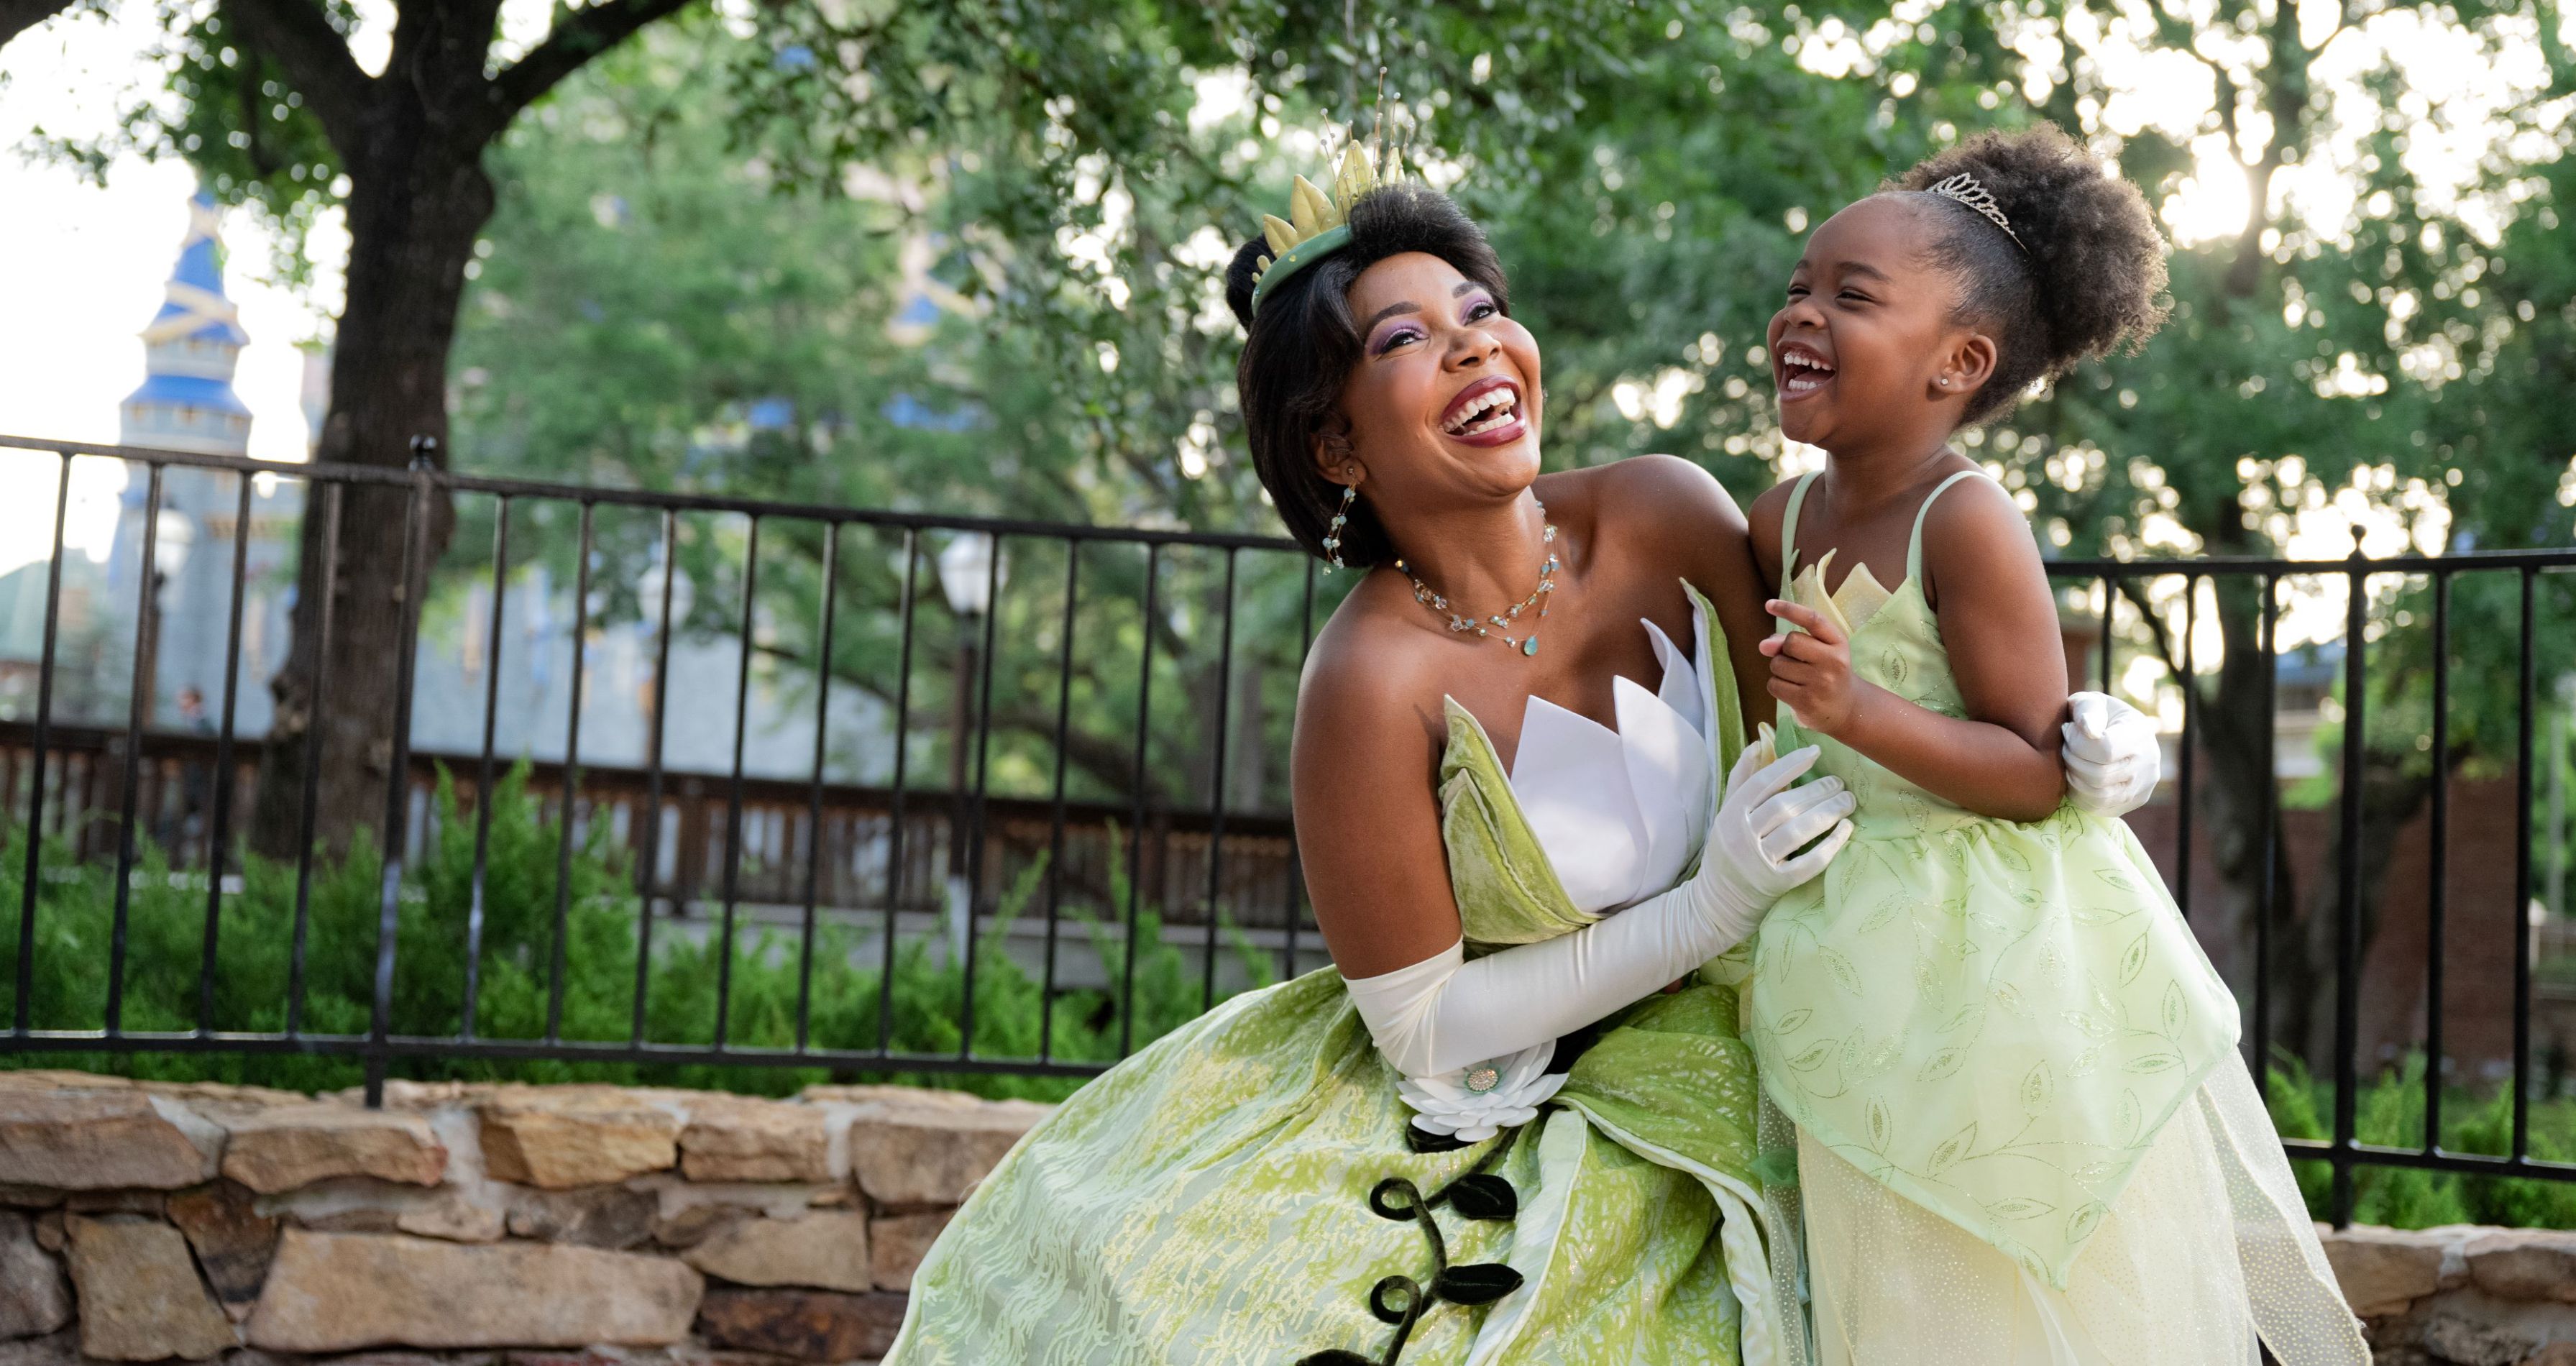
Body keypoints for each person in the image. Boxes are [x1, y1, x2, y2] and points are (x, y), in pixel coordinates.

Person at [884, 142, 2160, 1365]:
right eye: (1404, 339)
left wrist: (2086, 747)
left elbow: (1896, 662)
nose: (1474, 343)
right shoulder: (1367, 681)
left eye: (1479, 307)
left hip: (1818, 1035)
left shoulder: (1674, 513)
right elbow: (1426, 1027)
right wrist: (1708, 910)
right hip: (1512, 1087)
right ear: (1336, 447)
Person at [1743, 124, 2369, 1364]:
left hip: (1987, 955)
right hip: (1839, 942)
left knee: (1994, 1271)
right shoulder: (1783, 514)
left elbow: (2038, 775)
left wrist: (1861, 711)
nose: (1799, 312)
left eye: (1850, 295)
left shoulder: (1966, 522)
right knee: (1874, 1260)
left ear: (1958, 361)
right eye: (1800, 286)